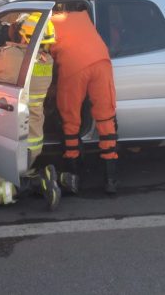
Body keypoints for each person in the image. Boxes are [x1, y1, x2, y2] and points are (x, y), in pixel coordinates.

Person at [0, 14, 79, 210]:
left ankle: (38, 183)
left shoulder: (10, 56)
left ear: (24, 37)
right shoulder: (47, 63)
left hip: (11, 143)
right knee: (16, 171)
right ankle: (55, 178)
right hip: (32, 144)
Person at [50, 10, 119, 194]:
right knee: (106, 118)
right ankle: (110, 180)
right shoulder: (82, 15)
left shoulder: (42, 21)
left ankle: (74, 177)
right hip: (101, 61)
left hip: (73, 66)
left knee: (70, 120)